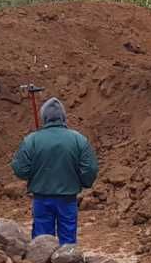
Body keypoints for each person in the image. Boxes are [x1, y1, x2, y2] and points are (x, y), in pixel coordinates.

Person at [10, 97, 98, 245]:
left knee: (42, 242)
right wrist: (83, 182)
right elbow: (90, 168)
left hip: (41, 198)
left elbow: (19, 169)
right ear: (63, 117)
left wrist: (35, 174)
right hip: (68, 198)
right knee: (68, 240)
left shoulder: (32, 140)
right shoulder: (79, 139)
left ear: (44, 118)